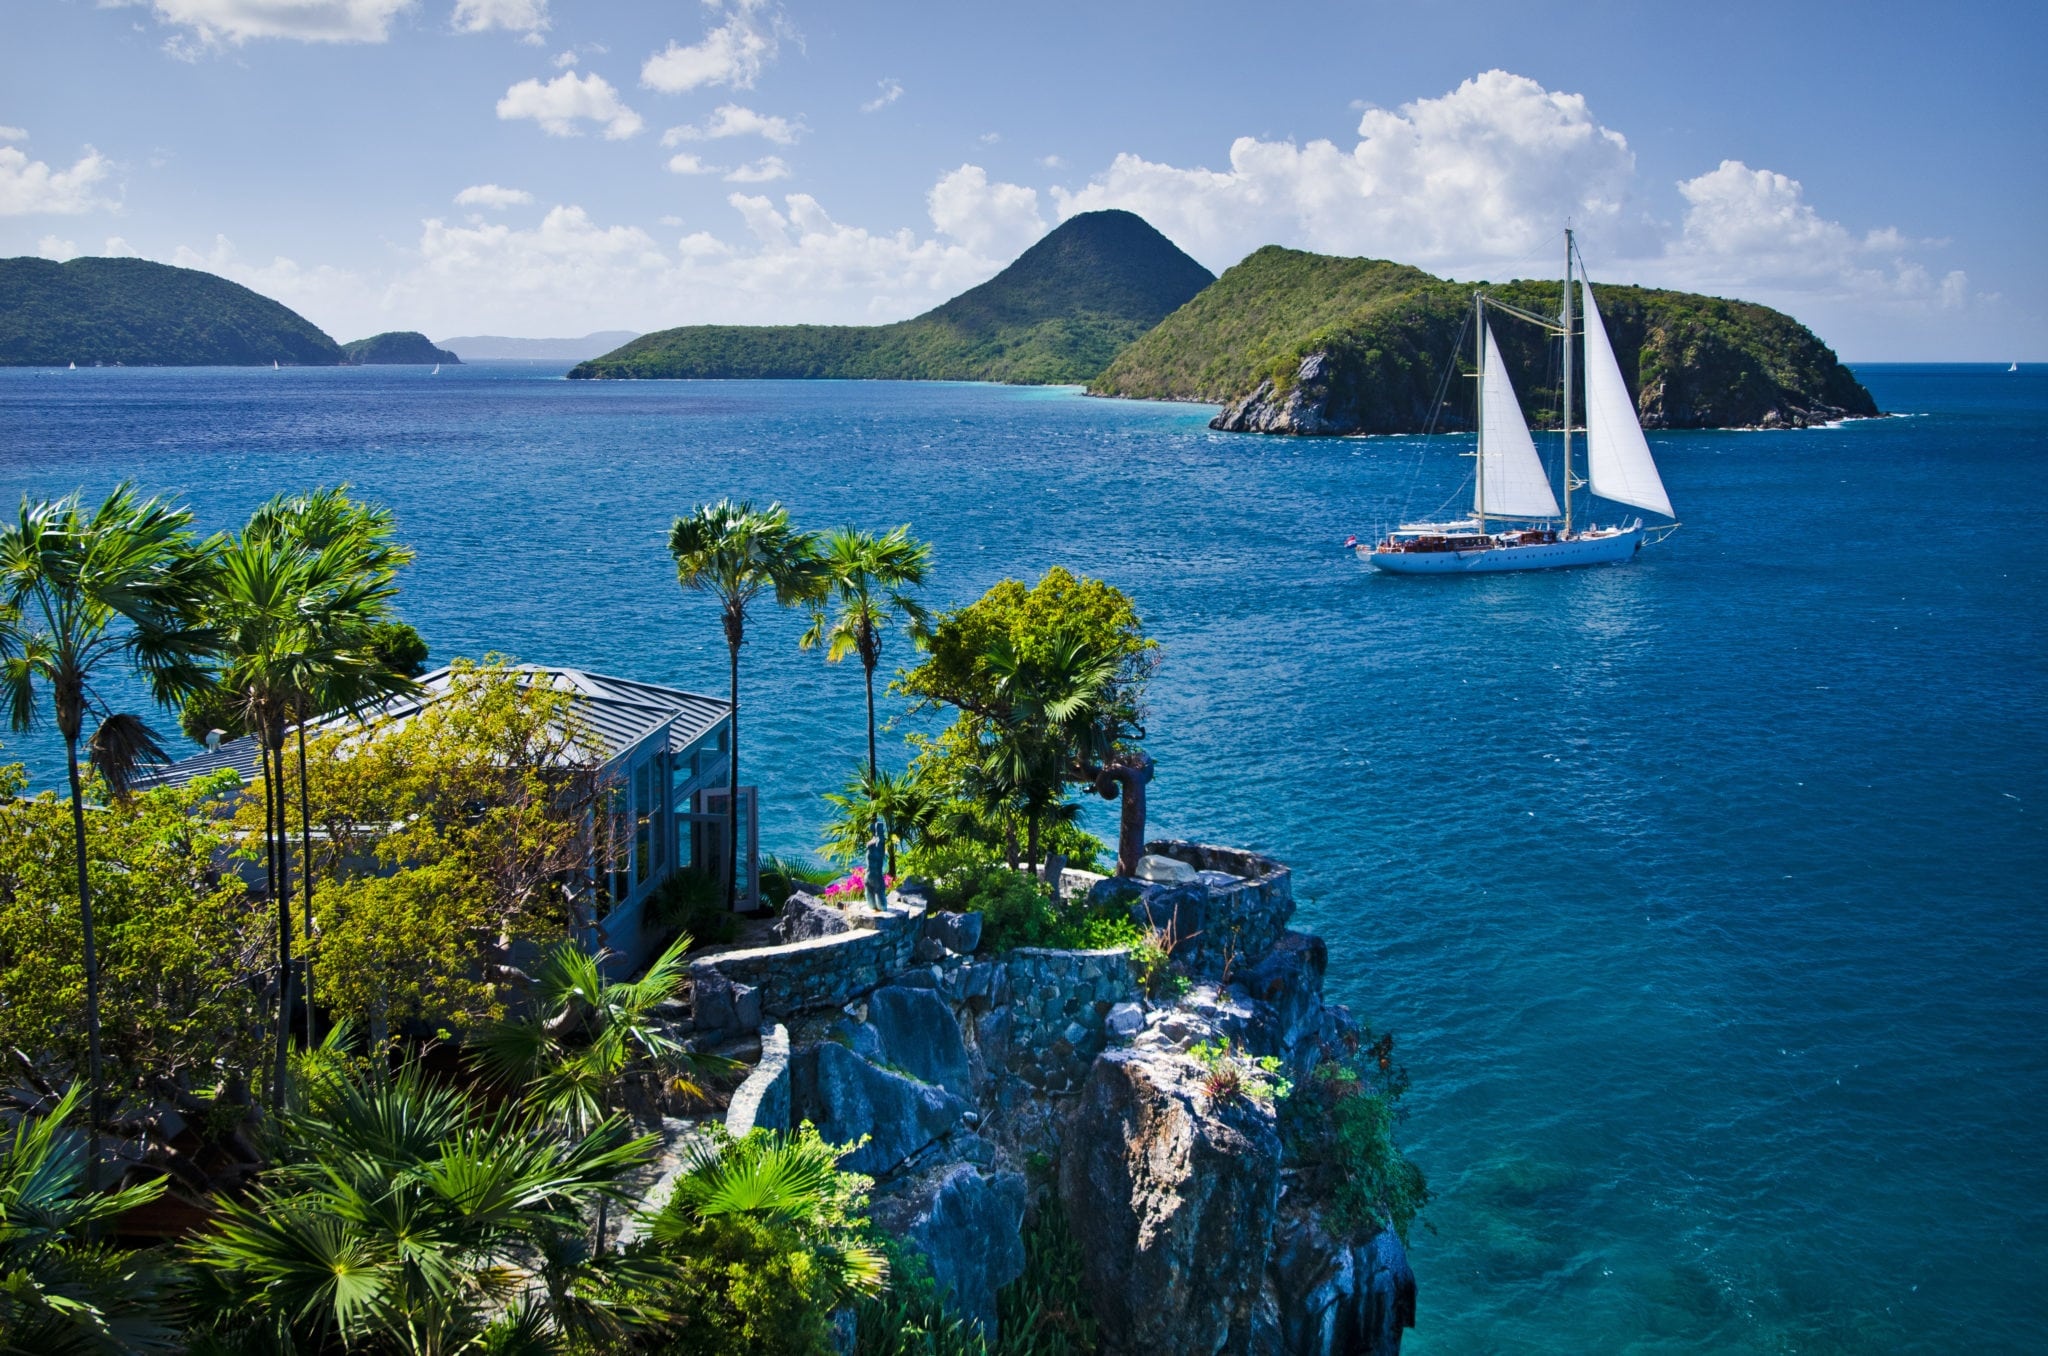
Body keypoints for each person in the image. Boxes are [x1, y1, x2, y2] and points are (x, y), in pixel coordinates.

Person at [864, 818, 888, 908]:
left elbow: (877, 838)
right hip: (876, 876)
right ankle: (881, 907)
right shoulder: (878, 848)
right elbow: (881, 839)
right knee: (881, 899)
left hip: (868, 875)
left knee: (870, 897)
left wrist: (875, 829)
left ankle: (872, 906)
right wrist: (880, 828)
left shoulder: (869, 849)